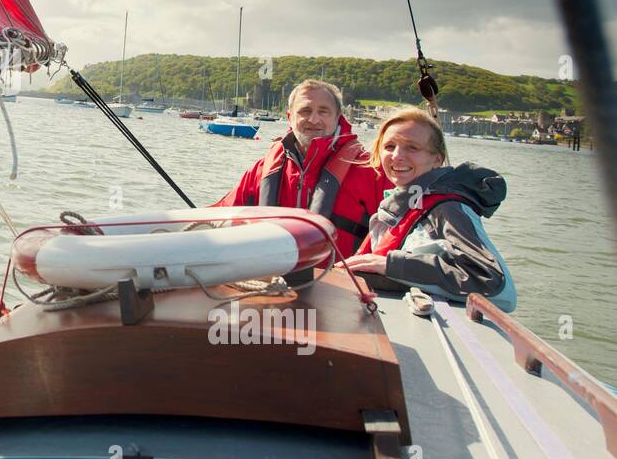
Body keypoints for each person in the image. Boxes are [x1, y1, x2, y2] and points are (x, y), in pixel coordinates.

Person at [341, 107, 516, 312]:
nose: (397, 156)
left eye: (412, 148)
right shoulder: (402, 204)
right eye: (389, 146)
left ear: (437, 159)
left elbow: (493, 284)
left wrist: (393, 265)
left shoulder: (447, 210)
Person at [214, 79, 388, 261]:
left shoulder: (371, 170)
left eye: (323, 111)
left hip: (345, 283)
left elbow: (399, 229)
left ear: (338, 117)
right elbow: (222, 213)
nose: (314, 119)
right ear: (290, 117)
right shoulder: (262, 170)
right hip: (270, 277)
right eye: (305, 111)